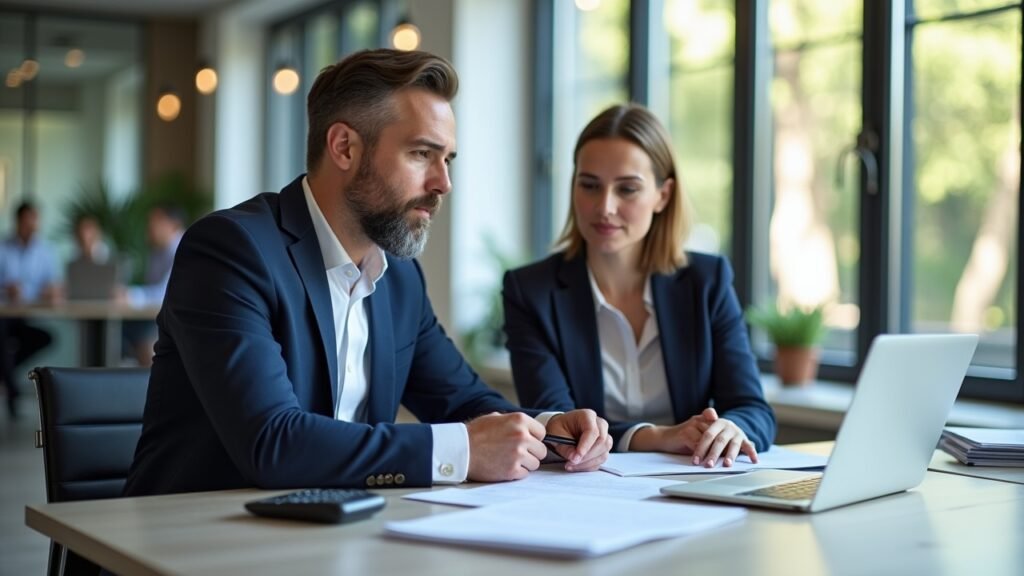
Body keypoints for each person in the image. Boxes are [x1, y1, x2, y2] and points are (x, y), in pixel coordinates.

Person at [124, 49, 611, 496]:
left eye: (447, 159)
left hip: (342, 531)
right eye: (421, 154)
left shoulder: (399, 277)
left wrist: (550, 431)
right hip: (194, 536)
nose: (443, 182)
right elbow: (271, 442)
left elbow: (464, 402)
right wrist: (461, 449)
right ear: (344, 147)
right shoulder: (232, 251)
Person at [502, 104, 775, 468]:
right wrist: (659, 436)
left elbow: (753, 409)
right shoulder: (530, 291)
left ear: (663, 195)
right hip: (585, 485)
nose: (605, 207)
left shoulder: (706, 281)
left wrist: (731, 428)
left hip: (692, 479)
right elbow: (556, 425)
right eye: (589, 185)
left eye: (627, 189)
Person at [0, 201, 60, 418]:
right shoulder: (3, 248)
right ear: (17, 222)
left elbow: (54, 284)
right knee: (1, 337)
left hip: (25, 316)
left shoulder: (45, 251)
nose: (31, 226)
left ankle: (5, 376)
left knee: (45, 338)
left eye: (34, 221)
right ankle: (12, 391)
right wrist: (6, 289)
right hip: (4, 315)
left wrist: (50, 290)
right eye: (26, 221)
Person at [119, 204, 185, 366]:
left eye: (156, 220)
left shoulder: (181, 249)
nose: (150, 226)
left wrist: (130, 295)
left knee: (131, 332)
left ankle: (150, 376)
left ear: (174, 224)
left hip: (178, 320)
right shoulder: (157, 251)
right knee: (118, 330)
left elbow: (164, 294)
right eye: (149, 221)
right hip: (158, 315)